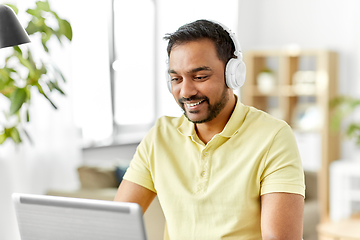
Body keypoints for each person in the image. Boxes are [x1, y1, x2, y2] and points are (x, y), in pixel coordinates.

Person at [114, 19, 305, 240]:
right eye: (176, 79)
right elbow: (117, 223)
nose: (185, 91)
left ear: (233, 74)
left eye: (200, 77)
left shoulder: (273, 136)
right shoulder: (160, 136)